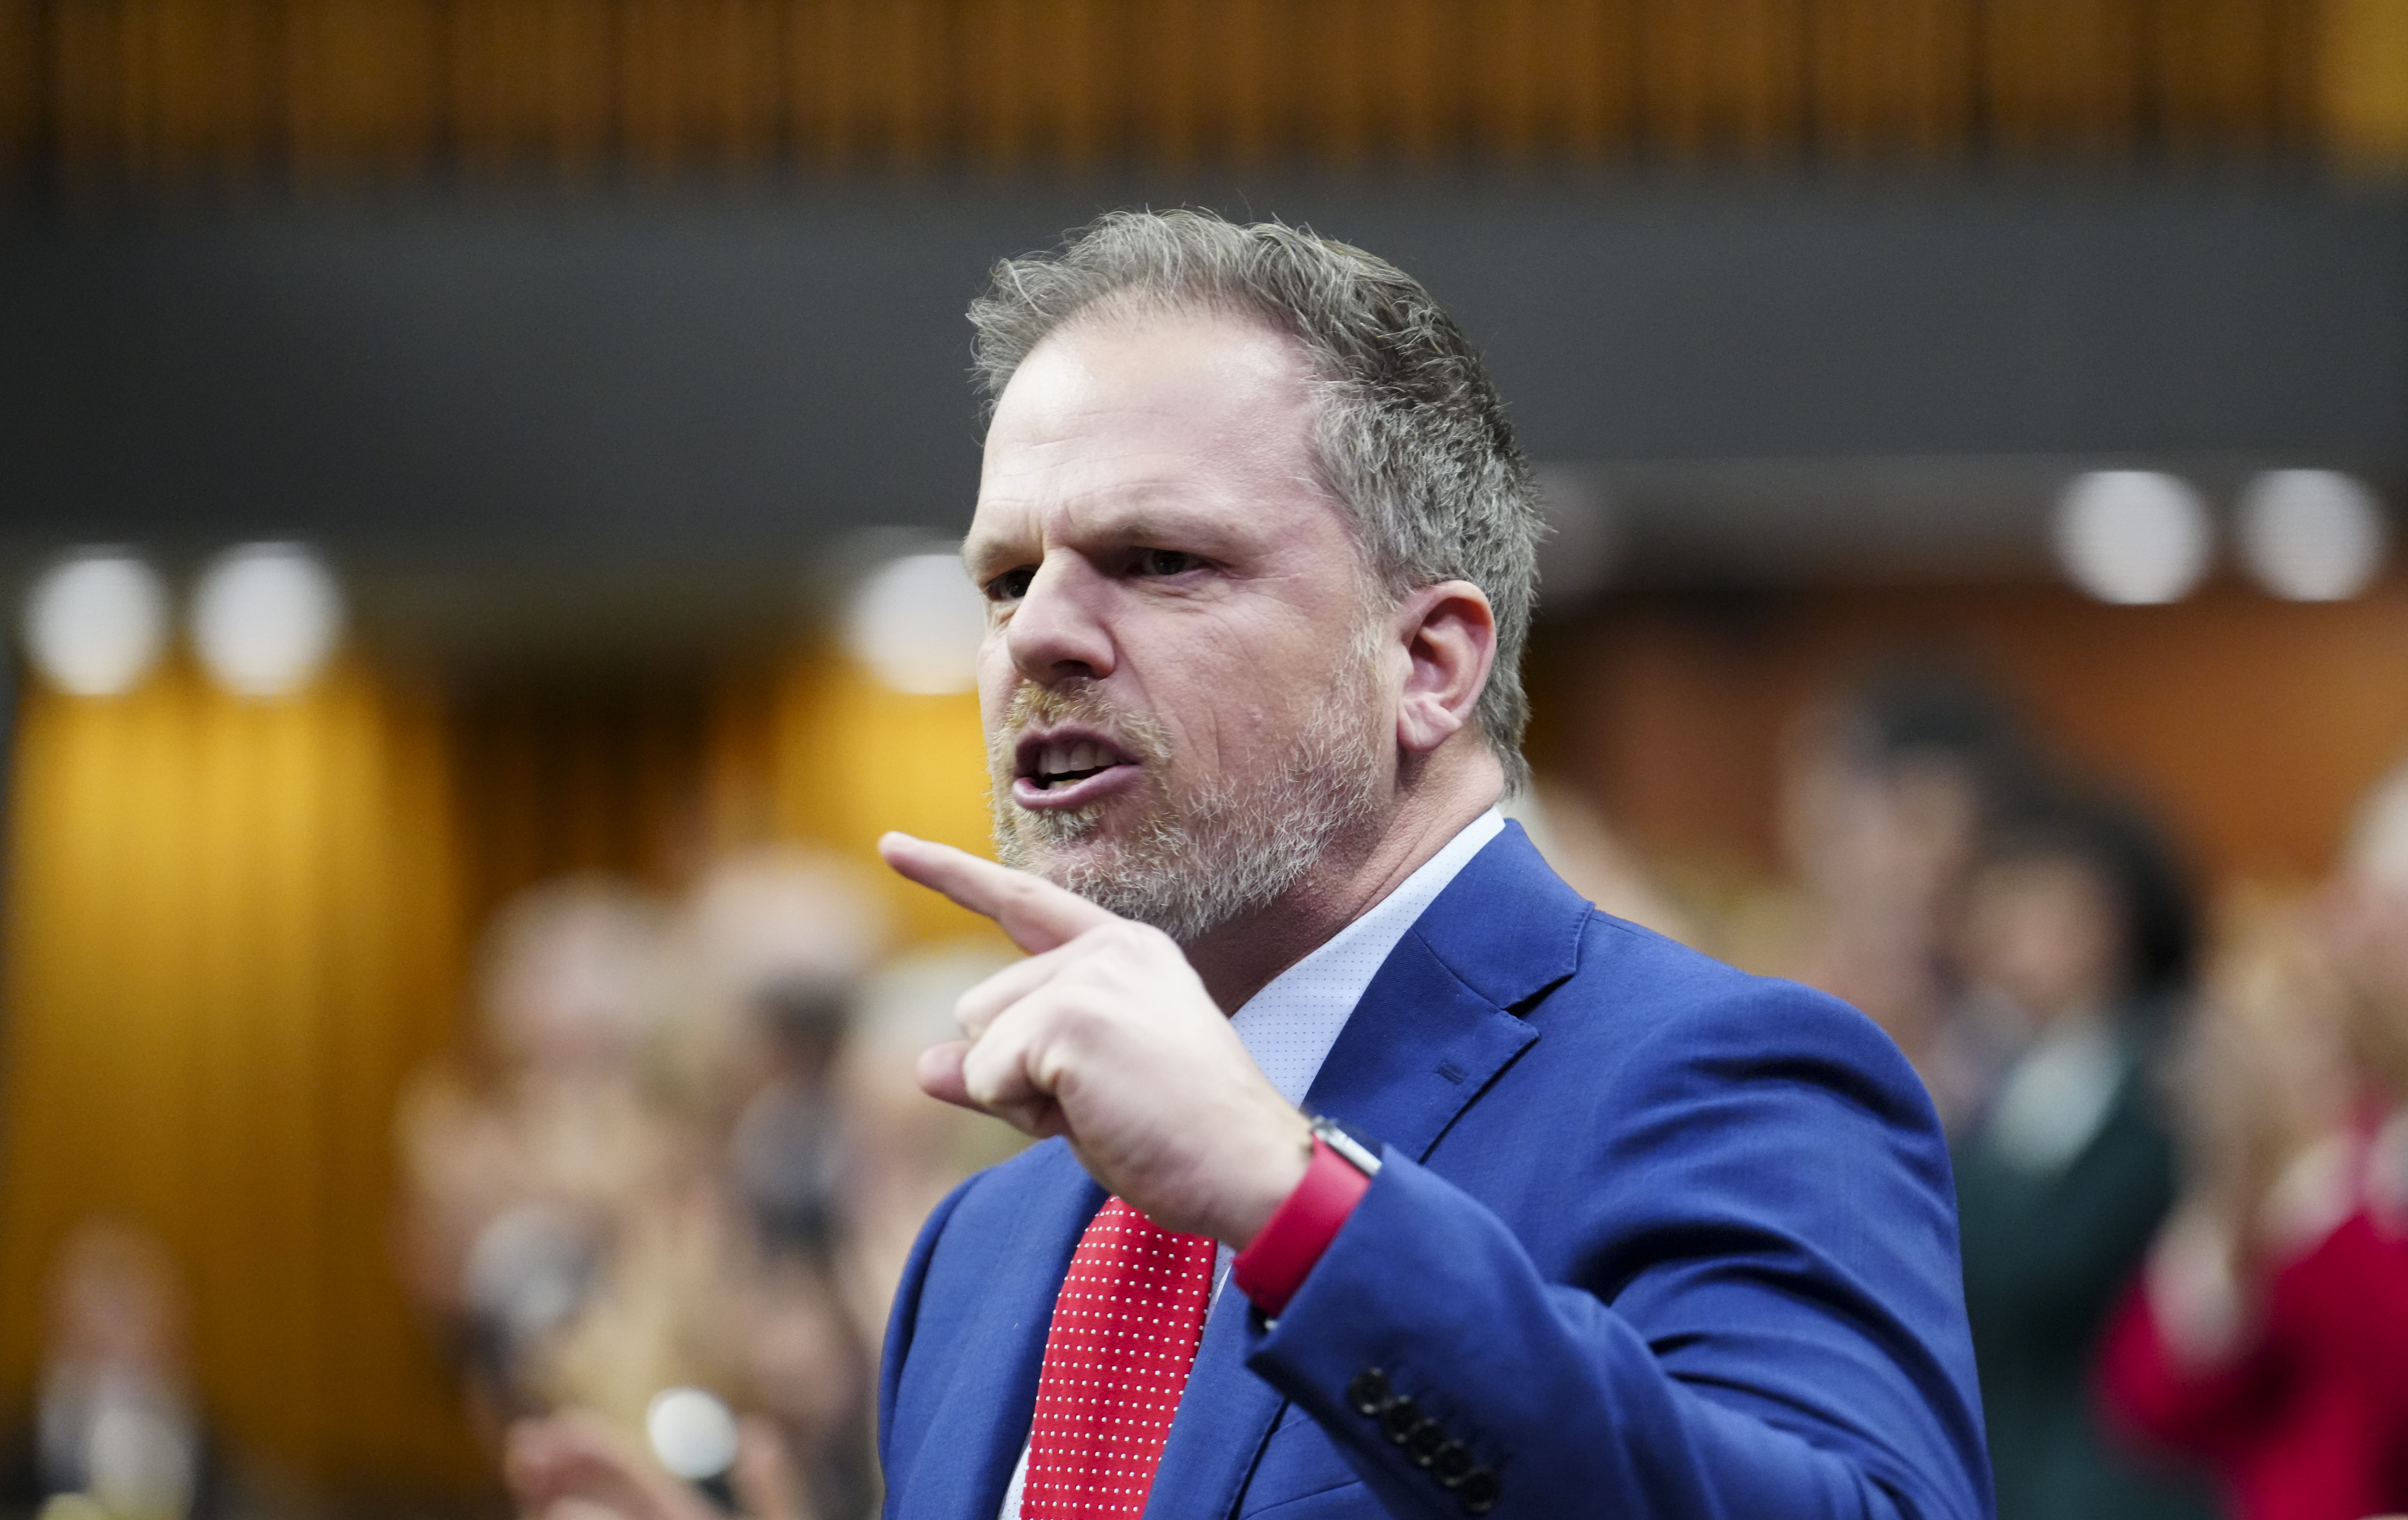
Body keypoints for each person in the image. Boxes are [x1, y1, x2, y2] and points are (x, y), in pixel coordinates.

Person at [513, 209, 1990, 1520]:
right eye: (1005, 579)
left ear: (1425, 662)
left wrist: (1296, 1205)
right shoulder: (980, 1245)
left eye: (1160, 560)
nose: (1037, 634)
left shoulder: (1719, 1076)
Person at [2095, 765, 2408, 1520]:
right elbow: (2151, 1402)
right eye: (2353, 906)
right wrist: (2231, 1207)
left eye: (2388, 912)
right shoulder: (2337, 1136)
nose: (2352, 940)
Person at [1944, 787, 2215, 1520]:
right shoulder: (1990, 1077)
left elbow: (2055, 1255)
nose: (2019, 944)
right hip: (2006, 1454)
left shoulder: (2171, 1076)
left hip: (2120, 1468)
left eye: (2053, 914)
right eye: (2000, 912)